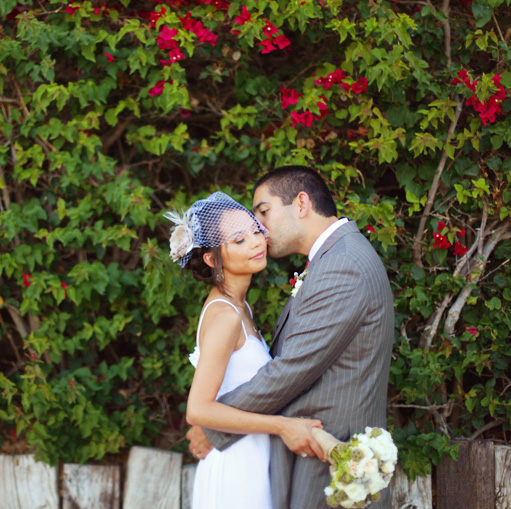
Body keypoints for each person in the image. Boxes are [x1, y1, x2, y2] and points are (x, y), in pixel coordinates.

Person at [186, 167, 395, 508]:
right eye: (244, 233)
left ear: (301, 203)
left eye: (263, 213)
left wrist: (214, 427)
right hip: (270, 457)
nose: (260, 232)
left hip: (328, 450)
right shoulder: (333, 260)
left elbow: (291, 369)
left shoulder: (343, 264)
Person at [165, 192, 324, 509]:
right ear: (212, 259)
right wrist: (283, 426)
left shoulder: (240, 307)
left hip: (251, 458)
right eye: (239, 240)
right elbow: (198, 410)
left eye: (255, 231)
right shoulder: (224, 316)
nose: (256, 242)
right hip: (234, 468)